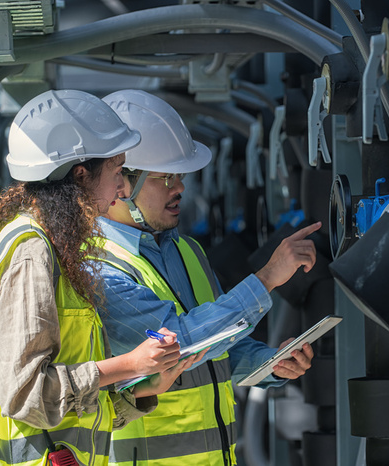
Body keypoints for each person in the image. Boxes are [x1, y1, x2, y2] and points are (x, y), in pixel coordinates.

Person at [0, 89, 207, 466]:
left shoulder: (56, 247)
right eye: (118, 172)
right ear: (81, 175)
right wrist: (131, 364)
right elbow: (27, 396)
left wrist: (140, 391)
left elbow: (72, 411)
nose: (122, 189)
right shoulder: (32, 251)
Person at [93, 89, 321, 466]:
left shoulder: (188, 251)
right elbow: (177, 345)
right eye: (164, 178)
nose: (179, 187)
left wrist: (269, 362)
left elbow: (218, 350)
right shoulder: (99, 265)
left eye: (179, 176)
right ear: (121, 187)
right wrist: (265, 279)